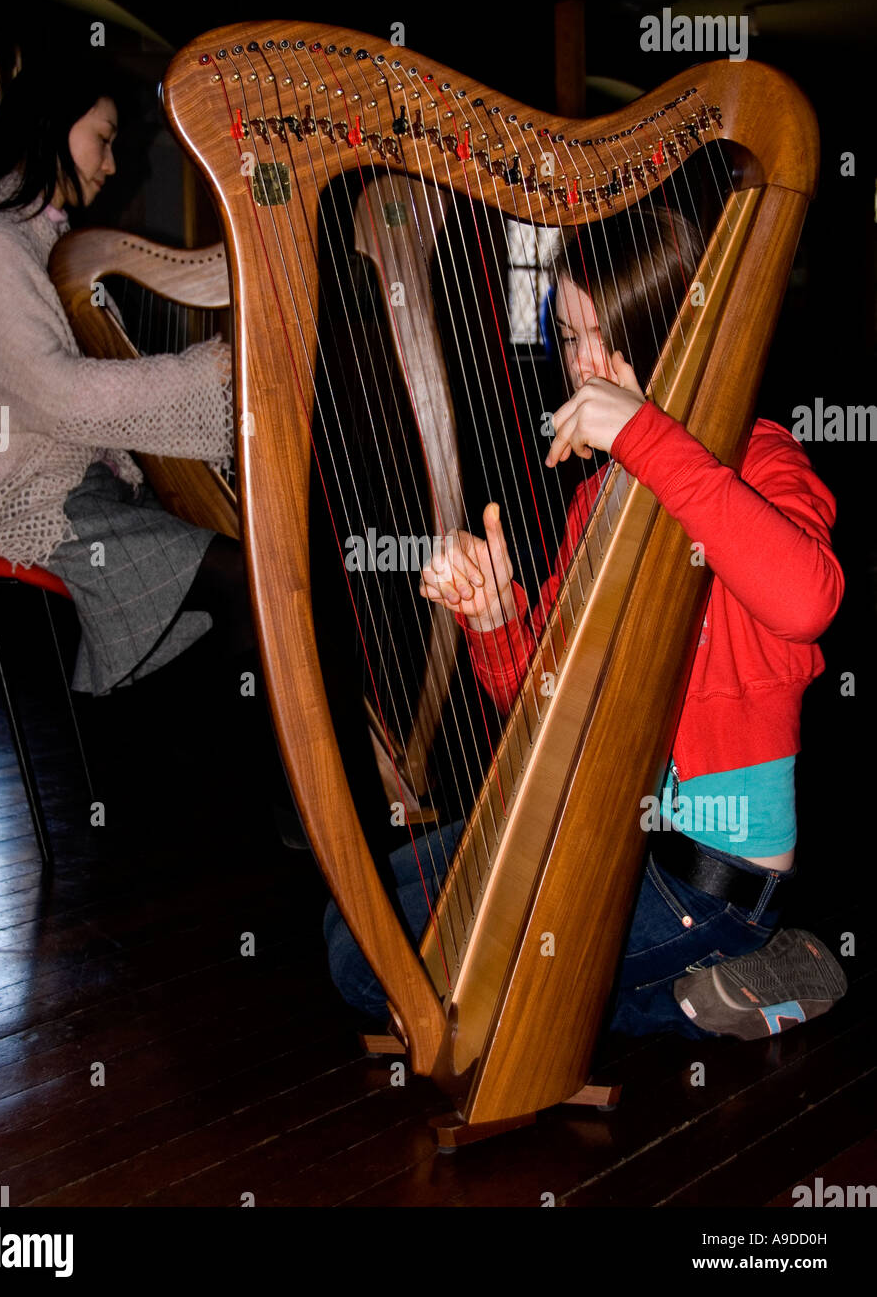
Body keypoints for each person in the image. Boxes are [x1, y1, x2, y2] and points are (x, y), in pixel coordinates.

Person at [324, 208, 848, 1041]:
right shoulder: (592, 499)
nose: (583, 365)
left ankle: (705, 994)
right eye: (568, 336)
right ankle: (676, 997)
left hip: (704, 875)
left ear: (680, 328)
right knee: (356, 921)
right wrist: (493, 619)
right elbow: (541, 707)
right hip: (601, 822)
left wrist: (645, 435)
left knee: (395, 974)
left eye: (605, 336)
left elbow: (807, 600)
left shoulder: (760, 458)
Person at [0, 54, 250, 701]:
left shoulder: (46, 241)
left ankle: (180, 761)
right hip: (26, 509)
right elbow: (61, 396)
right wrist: (203, 374)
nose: (110, 163)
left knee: (241, 579)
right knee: (244, 580)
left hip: (84, 497)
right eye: (102, 139)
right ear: (50, 125)